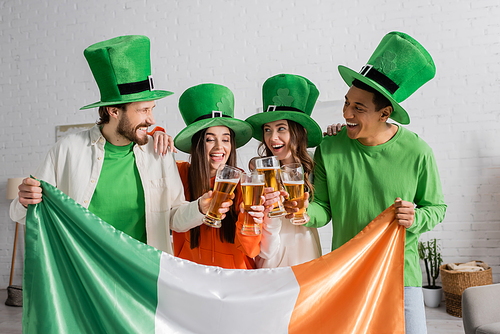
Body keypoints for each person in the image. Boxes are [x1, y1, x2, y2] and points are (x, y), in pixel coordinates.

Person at [9, 35, 218, 254]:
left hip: (142, 273)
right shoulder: (68, 150)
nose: (152, 119)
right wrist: (25, 200)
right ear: (114, 111)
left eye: (152, 109)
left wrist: (200, 208)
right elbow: (20, 214)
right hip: (86, 275)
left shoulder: (159, 153)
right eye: (143, 110)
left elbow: (174, 217)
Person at [304, 32, 447, 333]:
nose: (346, 114)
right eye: (346, 103)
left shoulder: (417, 152)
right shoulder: (330, 148)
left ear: (385, 113)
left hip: (400, 277)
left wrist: (416, 216)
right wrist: (302, 213)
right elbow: (322, 208)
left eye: (358, 108)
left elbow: (436, 207)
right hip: (346, 272)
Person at [172, 83, 271, 269]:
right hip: (190, 280)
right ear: (197, 143)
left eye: (225, 139)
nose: (219, 147)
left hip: (233, 282)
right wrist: (157, 133)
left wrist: (247, 218)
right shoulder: (179, 174)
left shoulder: (245, 184)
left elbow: (251, 251)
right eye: (210, 139)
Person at [245, 73, 322, 268]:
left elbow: (324, 208)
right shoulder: (260, 169)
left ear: (300, 132)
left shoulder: (314, 164)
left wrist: (306, 213)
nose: (272, 138)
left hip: (305, 250)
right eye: (267, 130)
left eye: (281, 129)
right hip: (270, 253)